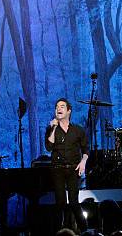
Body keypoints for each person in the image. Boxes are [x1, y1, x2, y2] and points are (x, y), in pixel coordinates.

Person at [46, 98, 89, 232]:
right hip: (57, 168)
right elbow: (49, 147)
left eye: (62, 106)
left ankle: (85, 231)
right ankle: (59, 232)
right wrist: (53, 128)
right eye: (57, 107)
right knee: (60, 203)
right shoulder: (51, 128)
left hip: (73, 169)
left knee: (74, 202)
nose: (58, 109)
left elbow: (85, 149)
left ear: (69, 111)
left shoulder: (78, 130)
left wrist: (83, 162)